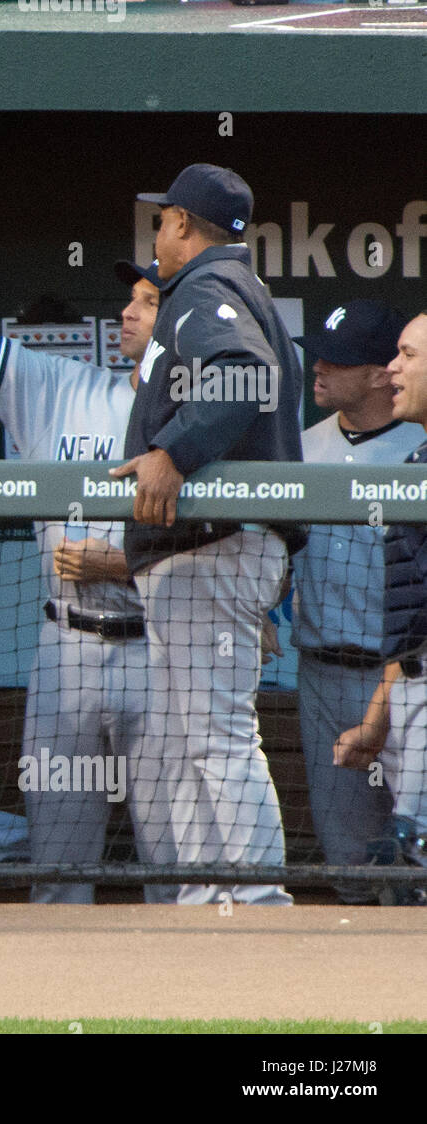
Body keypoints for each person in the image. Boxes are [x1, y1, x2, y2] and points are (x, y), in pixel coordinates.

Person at [0, 199, 173, 903]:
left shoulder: (213, 416)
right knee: (58, 868)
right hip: (67, 647)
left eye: (150, 300)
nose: (129, 313)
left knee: (176, 871)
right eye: (129, 299)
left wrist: (126, 565)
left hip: (166, 647)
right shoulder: (66, 390)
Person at [111, 163, 306, 906]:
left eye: (162, 219)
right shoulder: (232, 289)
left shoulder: (203, 288)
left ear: (184, 225)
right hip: (213, 549)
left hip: (210, 547)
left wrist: (174, 452)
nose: (157, 230)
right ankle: (204, 900)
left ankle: (256, 902)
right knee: (192, 741)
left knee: (217, 736)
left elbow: (242, 373)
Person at [289, 301, 416, 903]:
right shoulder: (299, 444)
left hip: (404, 678)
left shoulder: (418, 448)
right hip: (323, 673)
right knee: (351, 865)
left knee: (415, 857)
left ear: (376, 373)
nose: (318, 367)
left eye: (335, 360)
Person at [334, 311, 427, 902]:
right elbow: (414, 621)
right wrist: (378, 721)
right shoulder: (416, 465)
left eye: (409, 355)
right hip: (414, 693)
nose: (392, 367)